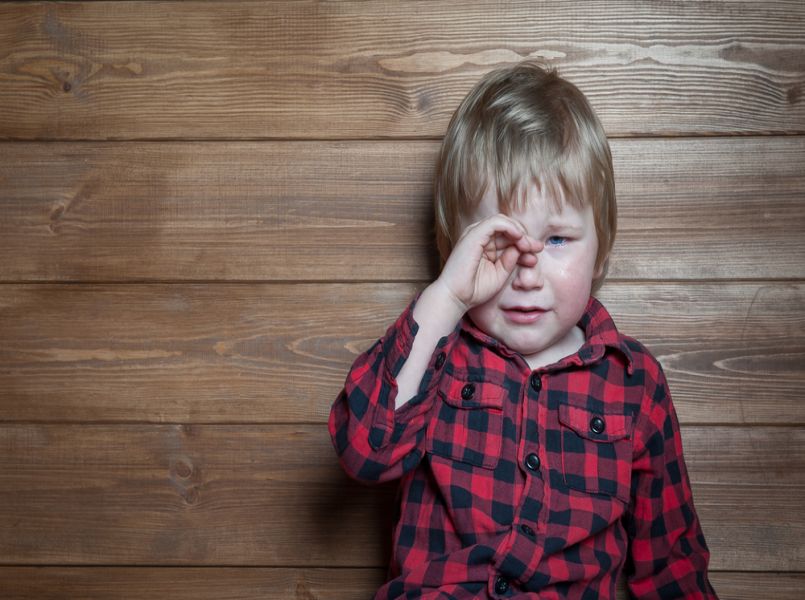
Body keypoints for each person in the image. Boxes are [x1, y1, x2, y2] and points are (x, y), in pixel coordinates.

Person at [329, 60, 718, 599]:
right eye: (500, 242)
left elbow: (673, 562)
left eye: (557, 239)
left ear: (601, 247)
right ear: (456, 249)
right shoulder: (437, 359)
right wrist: (446, 297)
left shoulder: (635, 384)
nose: (528, 272)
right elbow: (364, 451)